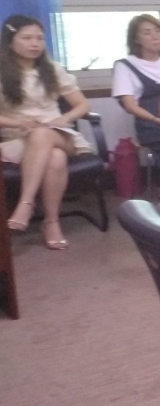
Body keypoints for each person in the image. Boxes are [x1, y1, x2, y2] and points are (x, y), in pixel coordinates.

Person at [0, 14, 92, 250]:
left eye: (39, 38)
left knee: (42, 134)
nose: (35, 44)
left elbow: (82, 105)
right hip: (18, 138)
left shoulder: (53, 69)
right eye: (27, 38)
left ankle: (26, 203)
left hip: (59, 133)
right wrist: (17, 123)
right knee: (55, 158)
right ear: (10, 40)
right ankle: (51, 222)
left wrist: (64, 118)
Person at [111, 13, 160, 160]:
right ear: (136, 39)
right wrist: (155, 120)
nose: (155, 36)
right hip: (151, 126)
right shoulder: (124, 66)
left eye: (158, 31)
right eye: (147, 33)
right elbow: (129, 106)